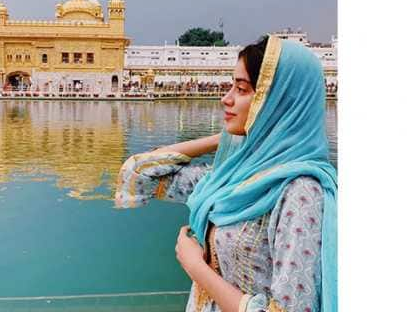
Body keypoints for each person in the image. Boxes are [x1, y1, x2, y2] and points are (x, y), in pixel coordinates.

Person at [115, 35, 337, 312]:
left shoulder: (299, 192)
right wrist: (222, 138)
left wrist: (196, 267)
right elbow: (139, 173)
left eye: (241, 90)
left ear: (278, 103)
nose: (226, 98)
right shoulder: (231, 179)